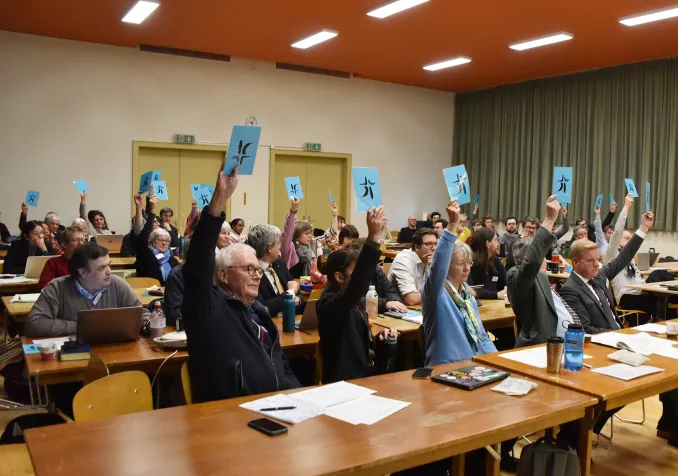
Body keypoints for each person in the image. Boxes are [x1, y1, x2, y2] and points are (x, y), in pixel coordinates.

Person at [181, 166, 300, 403]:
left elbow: (281, 365)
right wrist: (219, 200)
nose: (257, 276)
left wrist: (297, 397)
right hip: (232, 412)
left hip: (277, 405)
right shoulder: (208, 308)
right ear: (223, 275)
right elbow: (198, 264)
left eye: (257, 269)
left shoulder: (259, 312)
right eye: (248, 269)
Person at [317, 205, 398, 383]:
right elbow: (356, 286)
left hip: (363, 379)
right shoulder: (329, 303)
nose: (364, 278)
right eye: (355, 273)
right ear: (339, 277)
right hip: (344, 385)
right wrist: (373, 237)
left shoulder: (353, 302)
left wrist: (378, 339)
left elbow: (357, 346)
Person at [422, 198, 497, 365]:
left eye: (469, 263)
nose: (467, 268)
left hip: (474, 367)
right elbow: (438, 264)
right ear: (447, 265)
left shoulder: (468, 297)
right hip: (447, 369)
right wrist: (452, 225)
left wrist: (498, 362)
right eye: (461, 263)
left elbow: (482, 337)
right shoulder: (435, 293)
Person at [26, 243, 151, 337]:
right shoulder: (57, 287)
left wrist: (149, 323)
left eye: (109, 265)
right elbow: (34, 324)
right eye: (102, 268)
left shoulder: (117, 284)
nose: (109, 272)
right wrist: (84, 327)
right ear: (83, 272)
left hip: (112, 349)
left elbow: (139, 313)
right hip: (74, 353)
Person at [560, 211, 653, 335]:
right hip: (604, 339)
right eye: (590, 260)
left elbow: (624, 257)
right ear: (576, 263)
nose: (596, 264)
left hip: (618, 333)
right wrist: (617, 334)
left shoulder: (599, 275)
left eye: (597, 259)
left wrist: (643, 228)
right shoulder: (570, 290)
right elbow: (585, 329)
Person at [507, 196, 582, 348]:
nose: (545, 260)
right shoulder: (518, 278)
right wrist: (549, 219)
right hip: (543, 347)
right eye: (542, 256)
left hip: (572, 342)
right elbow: (531, 264)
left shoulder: (542, 278)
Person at [248, 223, 305, 316]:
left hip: (292, 317)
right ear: (269, 248)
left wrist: (298, 300)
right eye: (278, 243)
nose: (280, 246)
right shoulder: (251, 271)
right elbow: (263, 307)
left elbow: (297, 292)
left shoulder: (279, 263)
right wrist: (290, 293)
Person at [346, 239, 407, 314]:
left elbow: (390, 292)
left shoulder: (376, 269)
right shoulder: (348, 273)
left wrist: (395, 303)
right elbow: (354, 301)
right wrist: (385, 304)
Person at [132, 193, 179, 285]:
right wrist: (144, 209)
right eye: (160, 240)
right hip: (148, 290)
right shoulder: (146, 254)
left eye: (166, 241)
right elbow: (143, 237)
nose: (164, 243)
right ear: (152, 241)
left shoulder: (172, 259)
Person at [388, 228, 437, 306]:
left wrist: (436, 268)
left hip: (419, 307)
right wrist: (437, 296)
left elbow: (446, 291)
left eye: (435, 244)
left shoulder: (431, 261)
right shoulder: (404, 259)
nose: (434, 248)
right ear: (417, 247)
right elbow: (411, 299)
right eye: (428, 244)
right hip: (397, 308)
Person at [467, 228, 507, 300]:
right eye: (495, 240)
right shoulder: (470, 263)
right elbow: (471, 290)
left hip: (496, 303)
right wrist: (496, 295)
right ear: (488, 243)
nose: (498, 244)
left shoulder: (495, 261)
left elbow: (506, 282)